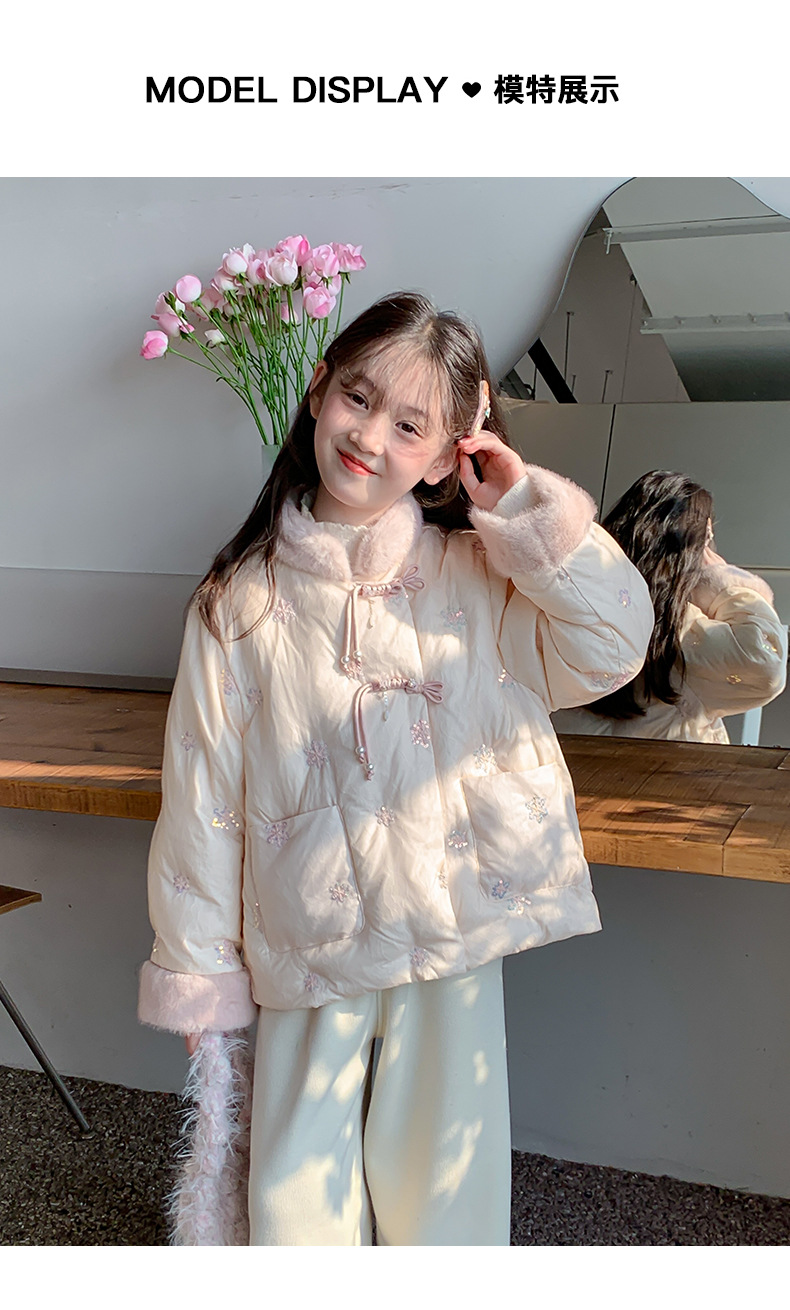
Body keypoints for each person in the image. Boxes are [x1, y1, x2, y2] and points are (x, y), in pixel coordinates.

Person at [137, 291, 653, 1246]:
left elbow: (615, 645)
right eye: (359, 398)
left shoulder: (477, 574)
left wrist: (524, 513)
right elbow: (201, 799)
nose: (370, 436)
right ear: (319, 387)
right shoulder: (238, 600)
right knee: (297, 1196)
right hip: (308, 931)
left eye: (411, 425)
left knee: (445, 1192)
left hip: (449, 928)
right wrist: (199, 965)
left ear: (451, 451)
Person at [552, 470, 787, 743]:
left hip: (569, 763)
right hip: (666, 771)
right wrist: (726, 582)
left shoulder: (577, 603)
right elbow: (765, 662)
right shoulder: (679, 635)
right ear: (694, 554)